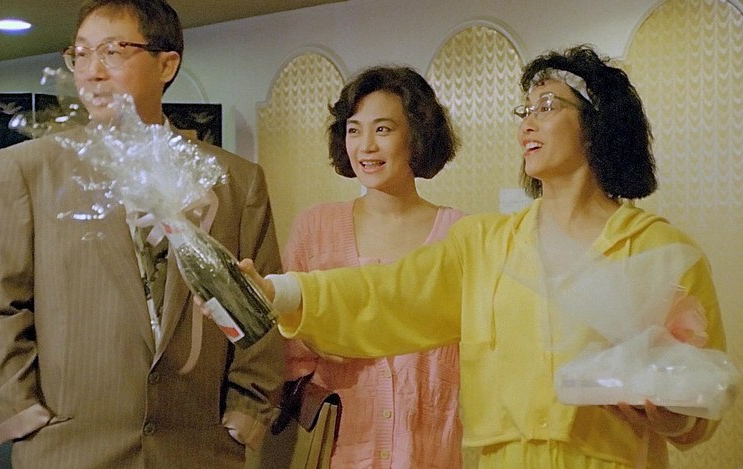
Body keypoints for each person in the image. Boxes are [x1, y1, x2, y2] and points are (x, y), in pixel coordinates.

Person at [248, 45, 729, 468]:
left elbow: (702, 395)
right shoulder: (482, 244)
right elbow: (386, 294)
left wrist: (673, 415)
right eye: (525, 110)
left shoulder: (663, 251)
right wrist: (281, 291)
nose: (527, 124)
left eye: (547, 106)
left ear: (596, 123)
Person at [0, 0, 284, 467]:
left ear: (166, 64)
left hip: (197, 446)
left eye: (112, 52)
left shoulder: (234, 180)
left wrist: (244, 416)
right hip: (69, 446)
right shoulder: (29, 170)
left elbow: (262, 307)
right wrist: (20, 414)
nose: (92, 72)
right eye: (80, 54)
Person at [280, 66, 463, 467]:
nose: (365, 146)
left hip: (430, 453)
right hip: (338, 452)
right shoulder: (315, 228)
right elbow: (286, 350)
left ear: (417, 135)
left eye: (383, 129)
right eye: (354, 130)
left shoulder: (460, 235)